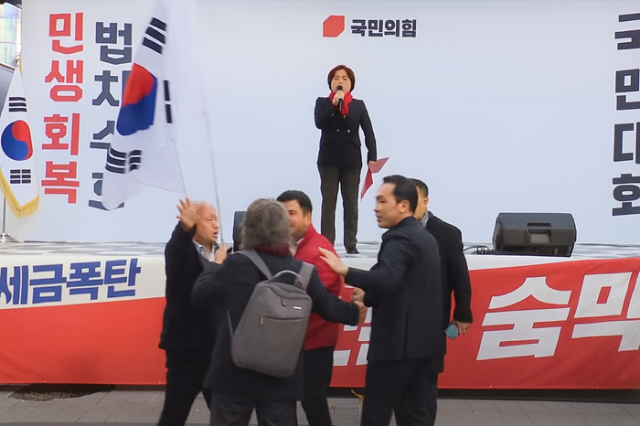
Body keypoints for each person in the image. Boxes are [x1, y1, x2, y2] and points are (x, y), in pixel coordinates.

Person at [192, 198, 366, 426]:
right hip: (281, 374)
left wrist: (215, 264)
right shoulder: (302, 271)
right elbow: (330, 308)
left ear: (247, 230)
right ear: (284, 230)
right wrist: (355, 311)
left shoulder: (235, 265)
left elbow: (199, 296)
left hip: (233, 372)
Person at [320, 175, 445, 426]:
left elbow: (388, 278)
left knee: (376, 414)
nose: (376, 208)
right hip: (427, 345)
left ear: (403, 205)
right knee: (417, 415)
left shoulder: (399, 238)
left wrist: (345, 271)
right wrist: (369, 295)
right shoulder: (424, 236)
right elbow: (404, 283)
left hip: (397, 347)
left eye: (382, 201)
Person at [157, 198, 227, 426]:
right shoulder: (183, 250)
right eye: (209, 220)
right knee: (174, 414)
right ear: (194, 224)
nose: (216, 225)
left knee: (225, 415)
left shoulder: (222, 253)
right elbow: (176, 249)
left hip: (214, 348)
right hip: (186, 350)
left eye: (216, 219)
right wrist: (183, 228)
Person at [276, 190, 343, 426]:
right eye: (281, 214)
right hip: (293, 343)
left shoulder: (319, 250)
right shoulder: (287, 247)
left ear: (308, 216)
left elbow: (322, 297)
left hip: (314, 344)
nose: (286, 219)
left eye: (291, 213)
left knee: (313, 402)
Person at [315, 64, 377, 254]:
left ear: (351, 84)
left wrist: (372, 156)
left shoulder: (358, 105)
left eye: (344, 78)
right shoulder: (323, 103)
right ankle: (327, 244)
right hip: (329, 159)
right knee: (328, 203)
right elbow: (319, 123)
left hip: (351, 160)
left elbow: (368, 131)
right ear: (330, 83)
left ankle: (351, 244)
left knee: (351, 203)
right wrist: (333, 105)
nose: (340, 81)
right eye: (336, 78)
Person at [412, 179, 473, 336]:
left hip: (433, 315)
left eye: (413, 199)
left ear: (425, 201)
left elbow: (460, 277)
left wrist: (462, 313)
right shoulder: (395, 232)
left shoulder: (447, 233)